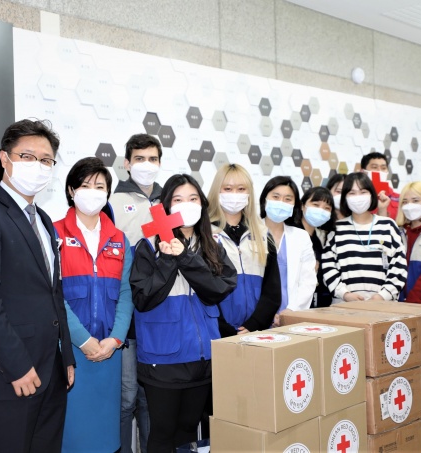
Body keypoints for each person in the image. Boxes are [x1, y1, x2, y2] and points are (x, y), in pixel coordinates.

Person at [0, 119, 75, 452]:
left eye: (46, 160)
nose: (38, 165)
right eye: (27, 156)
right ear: (5, 158)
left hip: (51, 371)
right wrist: (17, 366)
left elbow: (54, 292)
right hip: (10, 376)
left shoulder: (44, 220)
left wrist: (66, 356)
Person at [130, 174, 236, 452]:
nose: (186, 205)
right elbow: (142, 299)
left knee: (189, 430)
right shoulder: (148, 245)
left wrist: (186, 258)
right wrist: (167, 259)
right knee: (163, 432)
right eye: (178, 200)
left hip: (203, 358)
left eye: (193, 198)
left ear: (202, 203)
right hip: (163, 358)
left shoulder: (212, 245)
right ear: (166, 206)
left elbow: (219, 289)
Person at [55, 157, 133, 452]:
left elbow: (125, 293)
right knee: (73, 437)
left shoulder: (119, 239)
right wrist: (84, 340)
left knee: (105, 438)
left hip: (109, 352)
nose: (93, 192)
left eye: (100, 186)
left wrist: (115, 339)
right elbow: (53, 294)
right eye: (86, 185)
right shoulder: (54, 234)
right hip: (70, 352)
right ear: (71, 190)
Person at [108, 133, 161, 453]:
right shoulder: (112, 203)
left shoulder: (169, 201)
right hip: (127, 314)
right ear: (127, 163)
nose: (146, 165)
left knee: (150, 397)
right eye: (140, 159)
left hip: (159, 313)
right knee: (127, 396)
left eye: (152, 159)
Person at [207, 163, 281, 336]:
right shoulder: (205, 234)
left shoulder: (262, 234)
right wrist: (224, 329)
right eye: (228, 188)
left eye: (241, 189)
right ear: (217, 191)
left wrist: (255, 323)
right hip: (218, 332)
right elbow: (202, 290)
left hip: (256, 331)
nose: (235, 194)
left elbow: (272, 288)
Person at [322, 172, 407, 303]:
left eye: (363, 192)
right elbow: (328, 267)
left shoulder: (388, 225)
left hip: (383, 305)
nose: (358, 197)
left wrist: (383, 295)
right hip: (344, 305)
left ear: (372, 195)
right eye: (352, 193)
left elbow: (399, 265)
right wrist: (344, 294)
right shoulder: (336, 229)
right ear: (345, 198)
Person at [260, 176, 317, 322]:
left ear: (294, 204)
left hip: (290, 315)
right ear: (265, 199)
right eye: (276, 197)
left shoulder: (301, 237)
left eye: (288, 199)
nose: (281, 203)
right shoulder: (250, 234)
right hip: (256, 317)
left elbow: (308, 281)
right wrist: (262, 316)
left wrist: (290, 311)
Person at [300, 187, 336, 308]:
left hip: (317, 303)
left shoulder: (319, 238)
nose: (321, 210)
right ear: (302, 205)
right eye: (316, 205)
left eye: (327, 208)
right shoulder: (292, 235)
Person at [361, 152, 399, 219]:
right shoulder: (356, 197)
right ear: (363, 171)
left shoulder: (399, 198)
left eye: (383, 168)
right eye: (374, 167)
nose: (379, 170)